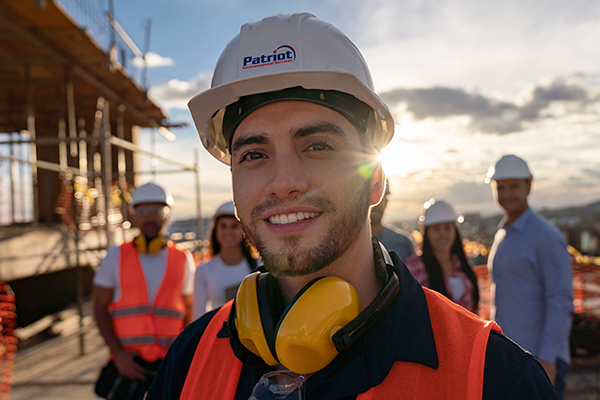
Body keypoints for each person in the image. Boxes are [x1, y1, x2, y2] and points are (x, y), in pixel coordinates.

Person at [147, 13, 558, 400]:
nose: (283, 183)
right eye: (254, 155)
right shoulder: (188, 361)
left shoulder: (493, 378)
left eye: (318, 146)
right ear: (236, 190)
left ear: (375, 178)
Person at [93, 182, 195, 400]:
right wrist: (118, 355)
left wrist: (183, 356)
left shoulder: (183, 258)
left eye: (157, 211)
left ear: (167, 216)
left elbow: (190, 310)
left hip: (169, 363)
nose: (150, 217)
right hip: (129, 365)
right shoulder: (115, 257)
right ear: (134, 216)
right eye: (143, 211)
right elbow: (99, 307)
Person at [486, 154, 573, 399]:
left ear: (529, 186)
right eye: (500, 188)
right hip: (512, 358)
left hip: (539, 360)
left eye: (514, 186)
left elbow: (560, 300)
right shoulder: (502, 236)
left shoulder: (545, 236)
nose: (506, 194)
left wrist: (547, 358)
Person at [405, 199, 479, 313]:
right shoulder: (413, 268)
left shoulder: (461, 263)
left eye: (447, 228)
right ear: (427, 233)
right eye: (436, 229)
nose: (442, 234)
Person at [194, 201, 257, 318]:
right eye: (223, 226)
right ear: (215, 231)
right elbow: (198, 316)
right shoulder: (204, 270)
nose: (228, 232)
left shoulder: (260, 265)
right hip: (221, 335)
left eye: (234, 226)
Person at [369, 179, 415, 260]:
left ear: (386, 202)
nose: (374, 205)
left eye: (378, 199)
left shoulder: (404, 244)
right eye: (369, 197)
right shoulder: (345, 245)